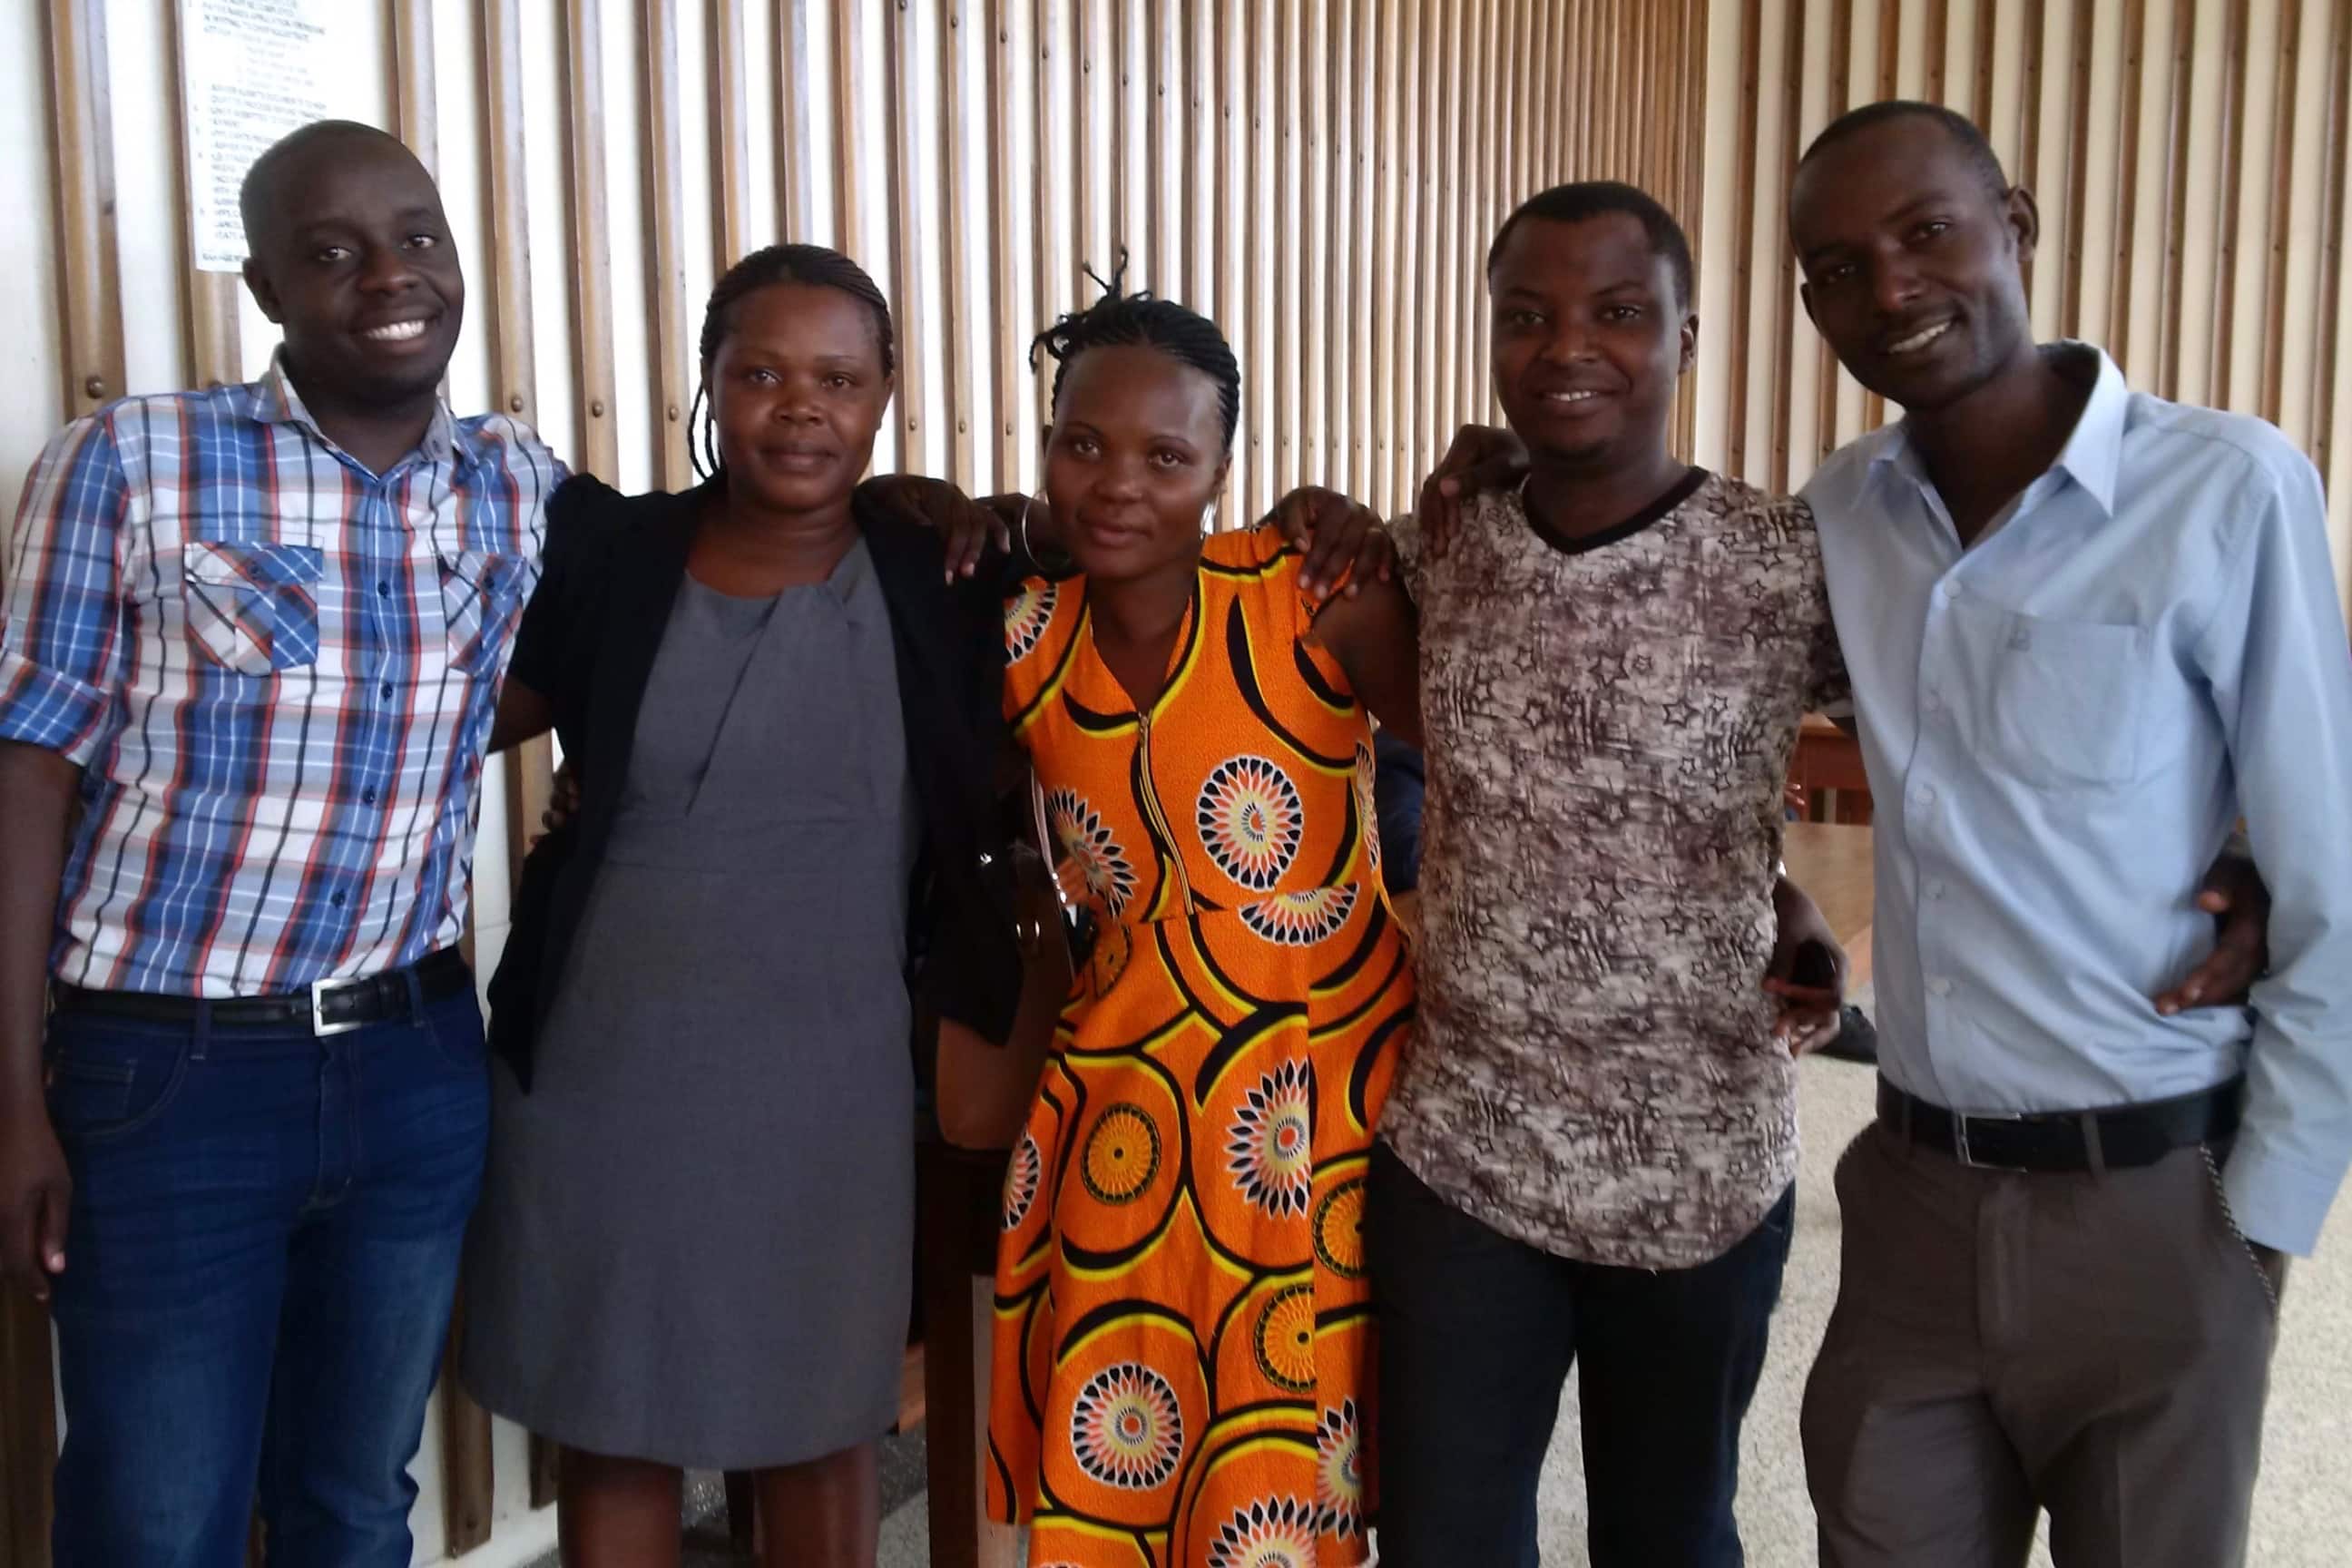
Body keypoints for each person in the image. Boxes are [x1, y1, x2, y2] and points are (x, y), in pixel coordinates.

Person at [1787, 101, 2352, 1568]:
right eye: (1842, 267)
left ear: (2016, 225)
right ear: (1811, 305)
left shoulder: (2226, 489)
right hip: (1909, 1194)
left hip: (2158, 1205)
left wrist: (2265, 1221)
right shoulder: (1841, 515)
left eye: (1928, 232)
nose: (1894, 288)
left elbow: (2329, 863)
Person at [0, 121, 563, 1566]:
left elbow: (678, 588)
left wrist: (919, 511)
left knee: (355, 1499)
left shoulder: (517, 482)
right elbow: (27, 776)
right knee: (155, 1516)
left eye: (417, 237)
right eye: (332, 251)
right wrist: (12, 1100)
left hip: (417, 1063)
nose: (390, 274)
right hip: (169, 1077)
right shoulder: (132, 464)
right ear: (267, 289)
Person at [457, 243, 1028, 1568]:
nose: (800, 405)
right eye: (760, 372)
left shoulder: (943, 579)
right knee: (619, 1416)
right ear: (708, 385)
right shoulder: (613, 554)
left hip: (832, 1077)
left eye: (838, 376)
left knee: (823, 1419)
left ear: (886, 393)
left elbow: (1135, 563)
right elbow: (455, 718)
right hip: (607, 1069)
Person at [1364, 181, 1854, 1568]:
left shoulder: (1781, 560)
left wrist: (1799, 907)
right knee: (1445, 1540)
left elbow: (1969, 740)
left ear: (1687, 336)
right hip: (1466, 1150)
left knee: (1671, 1536)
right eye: (1529, 314)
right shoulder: (1444, 542)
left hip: (1698, 1161)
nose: (1568, 345)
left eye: (1619, 312)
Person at [985, 279, 1422, 1567]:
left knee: (1291, 1458)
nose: (1119, 484)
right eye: (1084, 445)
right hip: (1121, 1081)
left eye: (1167, 456)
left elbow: (1482, 766)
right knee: (1130, 1424)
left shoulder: (1308, 594)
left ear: (1225, 469)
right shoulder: (1020, 635)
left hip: (1326, 1089)